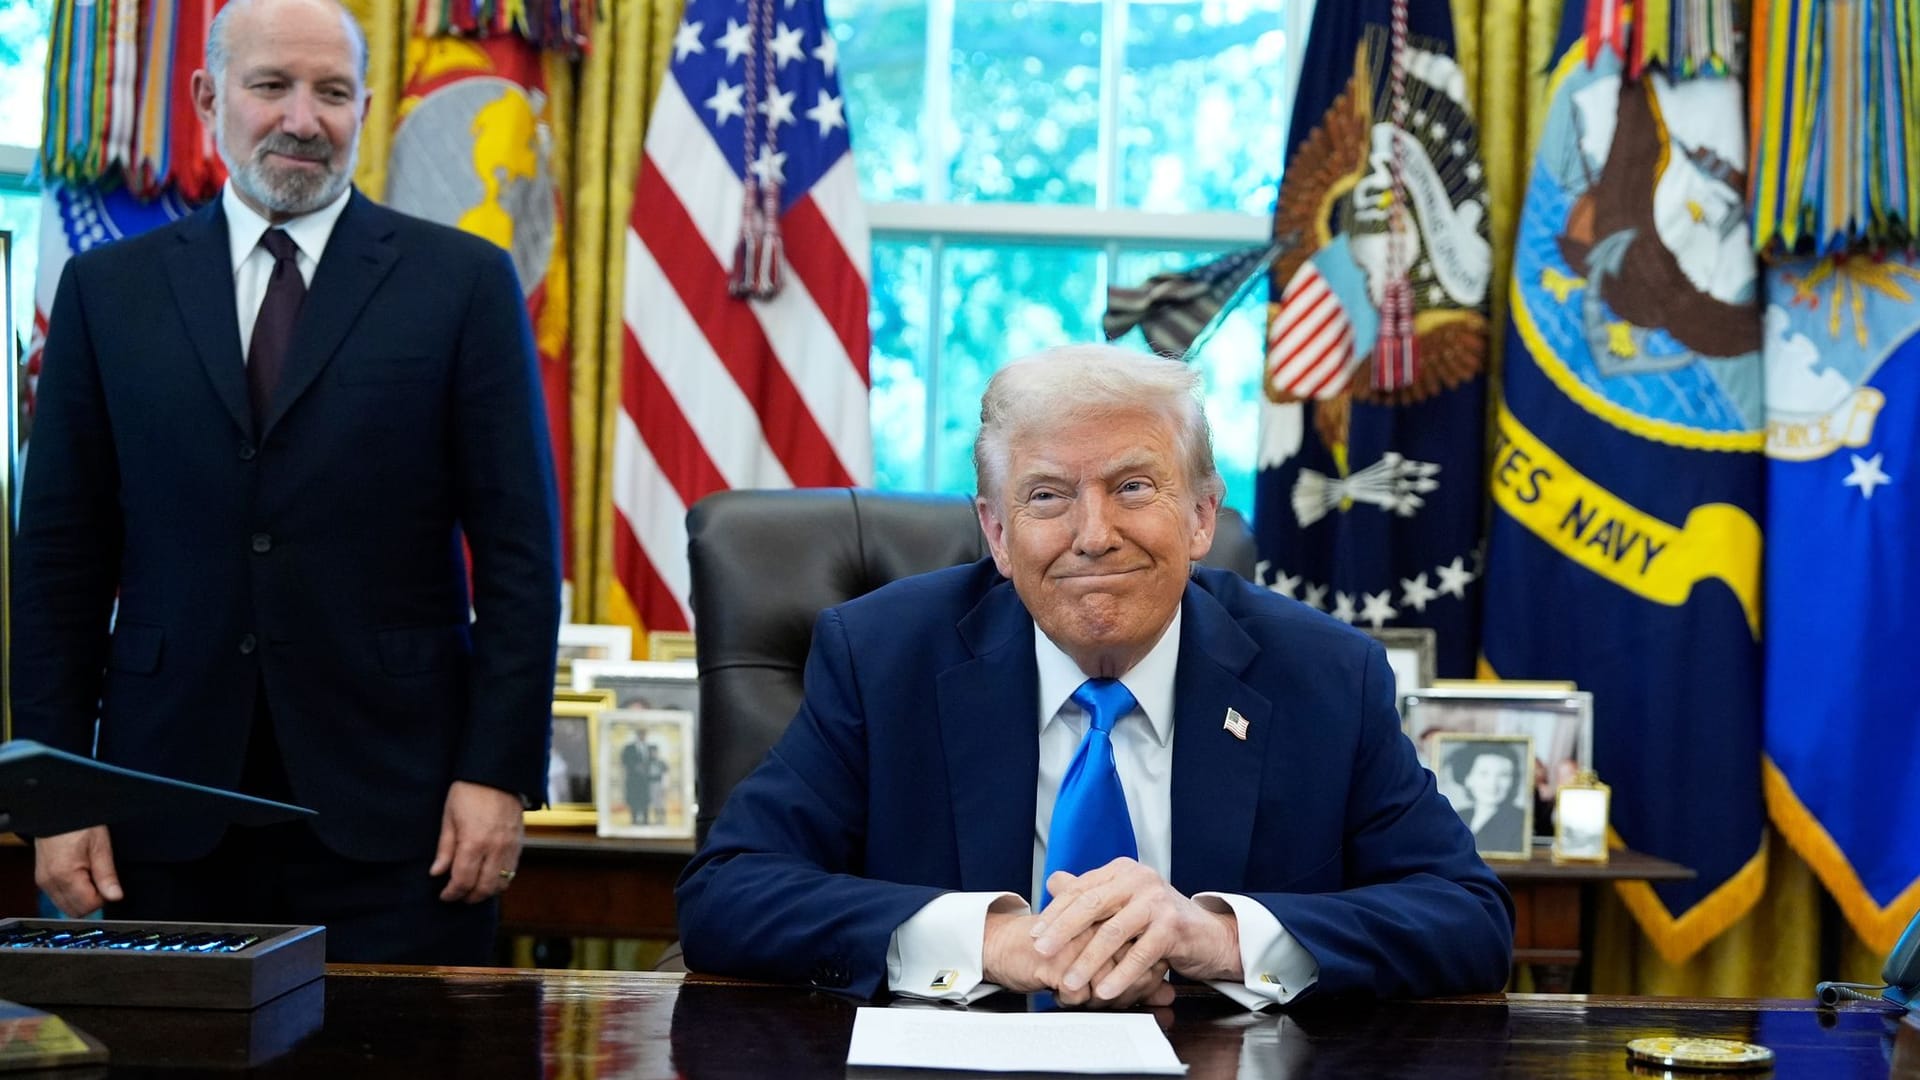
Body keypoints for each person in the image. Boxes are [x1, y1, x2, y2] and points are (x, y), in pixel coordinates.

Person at [676, 345, 1513, 1009]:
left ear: (1199, 516)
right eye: (1046, 497)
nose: (1094, 534)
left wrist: (1215, 936)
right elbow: (728, 894)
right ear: (997, 535)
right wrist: (987, 941)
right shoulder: (881, 657)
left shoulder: (1324, 675)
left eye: (1134, 487)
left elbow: (1469, 919)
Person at [11, 0, 560, 965]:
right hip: (159, 810)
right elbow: (59, 559)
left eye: (333, 93)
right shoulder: (108, 292)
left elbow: (520, 555)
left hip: (405, 816)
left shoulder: (463, 284)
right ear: (207, 95)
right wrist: (59, 795)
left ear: (364, 107)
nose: (303, 119)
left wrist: (498, 774)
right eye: (272, 86)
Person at [1448, 744, 1529, 853]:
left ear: (1513, 781)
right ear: (1467, 779)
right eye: (1484, 774)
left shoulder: (1521, 820)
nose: (1493, 784)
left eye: (1504, 775)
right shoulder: (1458, 816)